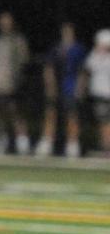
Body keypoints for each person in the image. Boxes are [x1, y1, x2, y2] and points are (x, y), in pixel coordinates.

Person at [39, 22, 87, 158]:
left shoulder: (79, 49)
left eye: (69, 31)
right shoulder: (56, 48)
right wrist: (50, 86)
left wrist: (80, 88)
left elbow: (82, 71)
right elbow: (48, 68)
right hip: (56, 86)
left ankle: (73, 144)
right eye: (65, 31)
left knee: (72, 115)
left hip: (70, 86)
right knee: (51, 113)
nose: (67, 33)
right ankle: (47, 141)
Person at [0, 11, 31, 154]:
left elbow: (24, 60)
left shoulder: (18, 40)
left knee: (17, 113)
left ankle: (22, 142)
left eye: (7, 21)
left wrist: (17, 79)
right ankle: (3, 141)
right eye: (2, 22)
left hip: (13, 83)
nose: (4, 24)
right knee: (0, 114)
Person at [80, 28, 110, 157]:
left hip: (105, 94)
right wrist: (82, 88)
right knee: (102, 122)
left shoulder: (104, 57)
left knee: (105, 122)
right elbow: (86, 71)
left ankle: (106, 148)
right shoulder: (95, 55)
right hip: (98, 94)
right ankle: (104, 146)